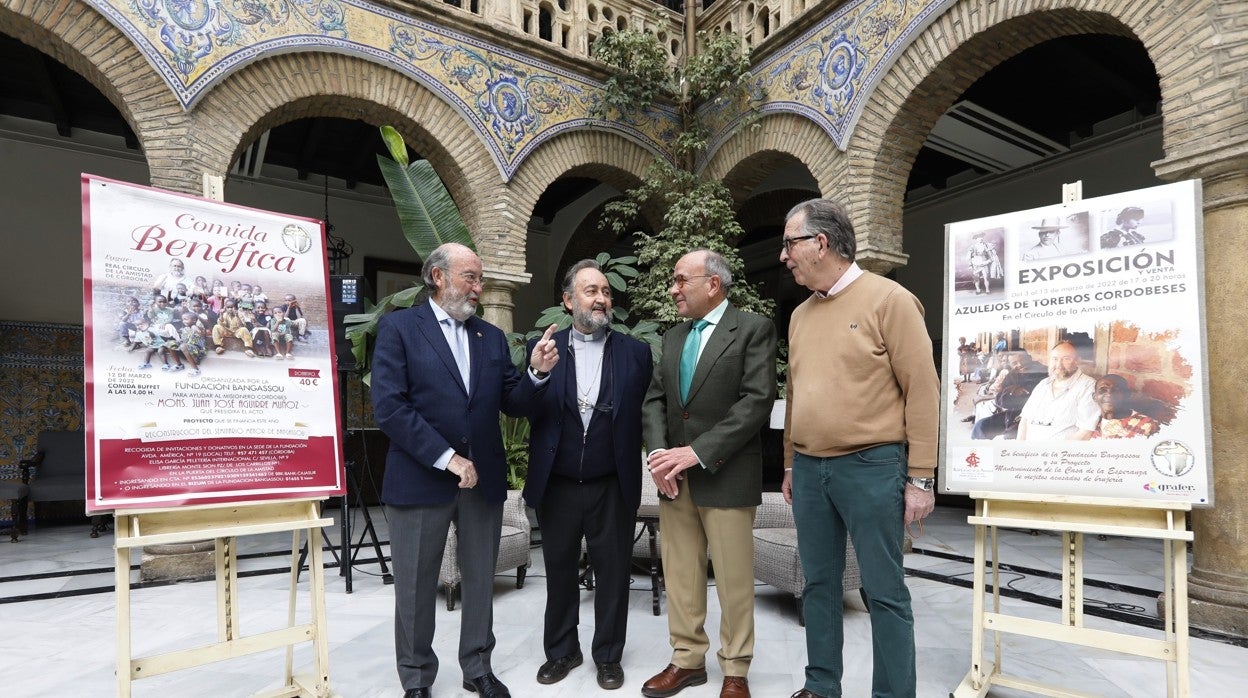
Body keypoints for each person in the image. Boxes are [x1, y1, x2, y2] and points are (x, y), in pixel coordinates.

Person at [370, 242, 559, 698]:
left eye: (479, 279)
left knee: (480, 581)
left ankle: (478, 668)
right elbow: (390, 408)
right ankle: (416, 680)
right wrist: (447, 457)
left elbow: (511, 402)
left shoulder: (490, 338)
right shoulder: (399, 329)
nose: (479, 288)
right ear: (439, 277)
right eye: (470, 277)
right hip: (419, 480)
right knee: (414, 588)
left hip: (483, 483)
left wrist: (535, 373)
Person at [778, 198, 940, 698]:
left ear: (820, 244)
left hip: (872, 466)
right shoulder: (801, 315)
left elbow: (923, 390)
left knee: (882, 591)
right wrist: (789, 461)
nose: (784, 256)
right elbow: (796, 391)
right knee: (819, 585)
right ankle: (821, 686)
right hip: (808, 468)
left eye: (790, 244)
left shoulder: (890, 300)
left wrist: (920, 477)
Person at [640, 249, 776, 698]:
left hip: (726, 474)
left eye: (681, 280)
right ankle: (687, 661)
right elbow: (656, 400)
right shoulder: (674, 336)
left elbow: (756, 402)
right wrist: (661, 455)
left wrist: (695, 453)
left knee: (734, 579)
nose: (673, 289)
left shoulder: (753, 329)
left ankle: (735, 669)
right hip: (674, 480)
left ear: (712, 284)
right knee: (680, 573)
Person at [522, 259, 651, 691]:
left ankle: (608, 656)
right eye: (591, 291)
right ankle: (562, 652)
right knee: (559, 572)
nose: (601, 298)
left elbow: (647, 414)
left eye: (605, 291)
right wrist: (537, 372)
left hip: (612, 484)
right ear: (567, 300)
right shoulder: (544, 347)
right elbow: (522, 405)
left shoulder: (635, 352)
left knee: (613, 574)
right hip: (557, 485)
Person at [1017, 341, 1099, 441]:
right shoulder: (1043, 384)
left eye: (1066, 359)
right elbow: (1025, 420)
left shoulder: (1087, 386)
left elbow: (1085, 432)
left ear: (1077, 361)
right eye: (1055, 359)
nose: (1059, 364)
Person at [1091, 374, 1160, 438]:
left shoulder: (1148, 425)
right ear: (1094, 397)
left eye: (1116, 390)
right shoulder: (1088, 421)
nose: (1109, 394)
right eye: (1102, 390)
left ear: (1127, 395)